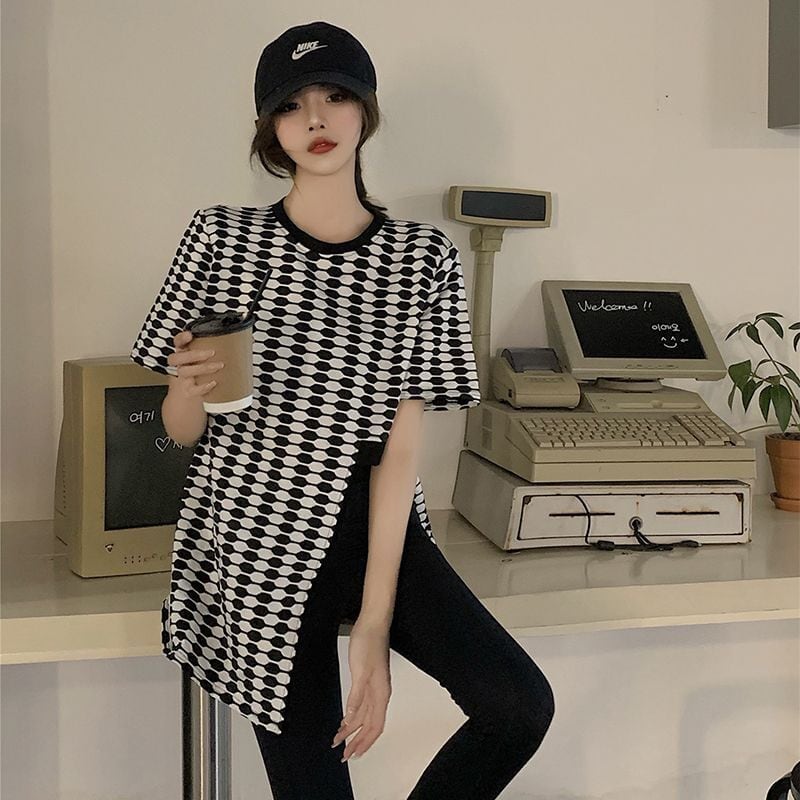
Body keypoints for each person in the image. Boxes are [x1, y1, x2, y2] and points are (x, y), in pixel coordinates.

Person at [131, 19, 554, 800]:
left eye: (335, 96)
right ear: (270, 127)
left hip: (374, 521)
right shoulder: (221, 239)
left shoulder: (422, 257)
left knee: (518, 706)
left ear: (366, 109)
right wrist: (184, 390)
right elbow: (183, 431)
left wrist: (374, 627)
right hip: (256, 529)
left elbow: (399, 452)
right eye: (292, 105)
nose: (316, 119)